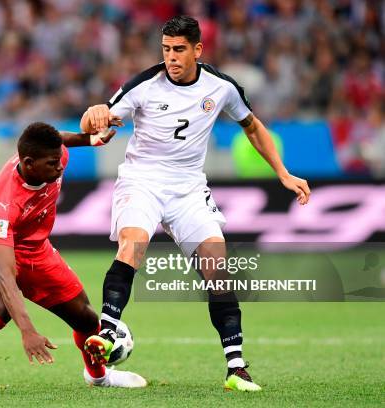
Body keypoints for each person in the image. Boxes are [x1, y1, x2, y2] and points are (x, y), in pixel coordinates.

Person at [80, 16, 311, 392]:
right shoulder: (142, 86)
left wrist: (283, 173)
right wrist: (93, 116)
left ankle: (236, 369)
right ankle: (106, 333)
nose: (171, 57)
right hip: (143, 181)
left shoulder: (221, 87)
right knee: (133, 243)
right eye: (166, 49)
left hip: (188, 188)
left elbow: (252, 125)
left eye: (179, 50)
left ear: (197, 50)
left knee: (217, 269)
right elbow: (99, 122)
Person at [0, 122, 146, 395]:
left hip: (35, 247)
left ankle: (98, 376)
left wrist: (89, 140)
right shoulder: (6, 203)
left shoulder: (53, 156)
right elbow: (5, 275)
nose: (60, 168)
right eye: (52, 164)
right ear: (28, 163)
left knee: (86, 319)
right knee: (0, 306)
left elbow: (58, 139)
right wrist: (27, 331)